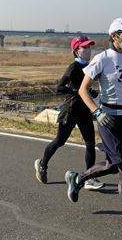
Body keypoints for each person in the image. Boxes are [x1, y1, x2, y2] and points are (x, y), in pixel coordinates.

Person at [64, 18, 122, 236]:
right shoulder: (102, 59)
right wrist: (97, 112)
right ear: (114, 36)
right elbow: (83, 90)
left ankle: (78, 178)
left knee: (113, 165)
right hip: (108, 118)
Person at [34, 36, 103, 189]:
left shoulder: (90, 67)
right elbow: (59, 88)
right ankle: (42, 164)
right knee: (60, 141)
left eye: (89, 47)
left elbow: (83, 87)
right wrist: (77, 91)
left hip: (84, 110)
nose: (88, 50)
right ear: (76, 51)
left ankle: (89, 177)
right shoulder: (73, 67)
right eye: (84, 47)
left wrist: (90, 92)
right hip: (70, 110)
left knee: (90, 143)